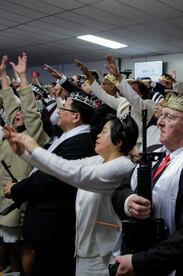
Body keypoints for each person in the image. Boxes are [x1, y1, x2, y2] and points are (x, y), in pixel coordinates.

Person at [4, 114, 138, 276]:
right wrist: (24, 153)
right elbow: (60, 169)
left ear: (118, 141)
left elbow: (75, 174)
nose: (98, 135)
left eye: (104, 132)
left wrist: (34, 147)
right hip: (84, 249)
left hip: (103, 255)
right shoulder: (99, 160)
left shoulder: (122, 166)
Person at [111, 91, 183, 276]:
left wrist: (139, 262)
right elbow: (120, 191)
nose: (159, 122)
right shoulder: (153, 151)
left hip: (174, 268)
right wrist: (129, 201)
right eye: (162, 114)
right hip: (133, 251)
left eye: (169, 117)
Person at [3, 91, 96, 276]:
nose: (58, 112)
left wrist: (16, 189)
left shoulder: (79, 142)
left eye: (63, 108)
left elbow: (50, 178)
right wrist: (22, 152)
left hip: (55, 225)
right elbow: (48, 165)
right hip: (47, 223)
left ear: (76, 116)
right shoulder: (67, 136)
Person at [0, 53, 49, 274]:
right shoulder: (9, 131)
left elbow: (29, 112)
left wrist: (23, 78)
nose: (18, 114)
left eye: (22, 112)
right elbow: (12, 106)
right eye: (14, 113)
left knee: (24, 245)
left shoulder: (34, 136)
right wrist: (2, 77)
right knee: (10, 245)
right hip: (3, 196)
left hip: (20, 199)